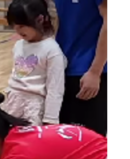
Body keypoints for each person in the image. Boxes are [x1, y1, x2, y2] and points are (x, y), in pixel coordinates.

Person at [1, 0, 66, 159]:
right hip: (13, 103)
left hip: (34, 107)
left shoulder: (52, 50)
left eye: (22, 25)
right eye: (14, 25)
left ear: (40, 19)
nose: (17, 30)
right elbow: (15, 76)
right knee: (8, 158)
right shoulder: (19, 45)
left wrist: (50, 121)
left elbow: (55, 89)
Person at [55, 0, 107, 136]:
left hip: (87, 71)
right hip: (61, 69)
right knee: (62, 136)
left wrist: (95, 71)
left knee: (88, 138)